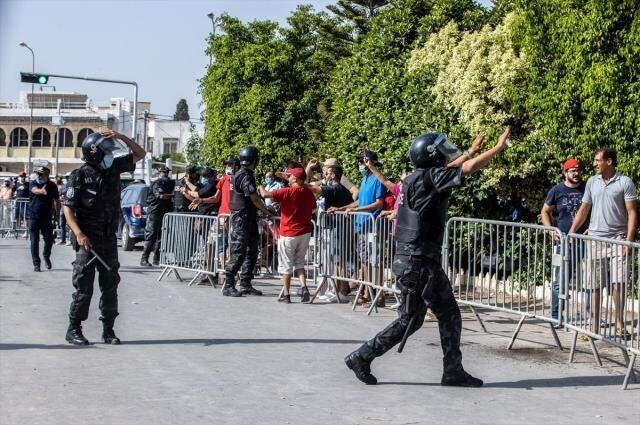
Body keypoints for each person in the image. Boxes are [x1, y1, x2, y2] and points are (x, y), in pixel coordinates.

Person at [344, 127, 512, 387]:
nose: (445, 156)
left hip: (416, 260)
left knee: (444, 314)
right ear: (432, 156)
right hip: (418, 262)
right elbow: (465, 170)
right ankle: (362, 356)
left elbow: (452, 167)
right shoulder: (430, 178)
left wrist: (470, 151)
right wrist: (497, 149)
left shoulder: (415, 178)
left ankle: (452, 370)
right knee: (410, 319)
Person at [63, 129, 145, 345]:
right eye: (106, 150)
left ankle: (108, 330)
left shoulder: (113, 169)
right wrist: (78, 233)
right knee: (84, 286)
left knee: (110, 284)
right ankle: (74, 329)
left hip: (108, 237)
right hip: (87, 240)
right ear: (94, 153)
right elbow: (68, 209)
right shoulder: (79, 176)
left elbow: (140, 153)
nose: (110, 154)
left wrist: (120, 136)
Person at [568, 147, 637, 338]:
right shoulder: (592, 181)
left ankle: (620, 323)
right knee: (594, 284)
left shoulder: (625, 182)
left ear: (609, 162)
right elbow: (584, 208)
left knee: (619, 282)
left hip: (618, 239)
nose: (595, 163)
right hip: (595, 239)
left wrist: (628, 242)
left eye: (598, 160)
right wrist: (572, 232)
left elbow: (632, 213)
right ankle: (594, 327)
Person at [328, 151, 386, 305]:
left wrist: (356, 211)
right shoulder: (365, 179)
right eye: (360, 161)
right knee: (365, 262)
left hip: (372, 227)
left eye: (363, 161)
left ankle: (379, 296)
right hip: (361, 226)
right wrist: (341, 208)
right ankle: (368, 293)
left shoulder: (378, 179)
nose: (361, 164)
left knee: (375, 262)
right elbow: (359, 202)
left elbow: (379, 204)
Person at [260, 167, 316, 303]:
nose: (288, 179)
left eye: (290, 177)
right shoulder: (308, 193)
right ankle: (304, 287)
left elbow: (265, 195)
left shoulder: (287, 191)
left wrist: (260, 185)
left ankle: (286, 294)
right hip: (304, 232)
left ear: (295, 178)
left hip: (288, 232)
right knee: (300, 262)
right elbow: (314, 208)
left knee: (286, 265)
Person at [223, 146, 273, 297]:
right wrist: (266, 211)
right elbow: (254, 198)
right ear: (254, 160)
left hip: (247, 218)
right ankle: (229, 285)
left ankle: (245, 283)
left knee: (252, 251)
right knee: (238, 252)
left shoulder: (240, 174)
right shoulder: (245, 175)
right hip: (242, 219)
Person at [540, 158, 586, 322]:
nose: (576, 173)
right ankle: (556, 316)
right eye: (572, 170)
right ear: (565, 172)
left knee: (590, 282)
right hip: (565, 241)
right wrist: (550, 229)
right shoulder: (557, 190)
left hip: (588, 240)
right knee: (560, 280)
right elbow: (545, 211)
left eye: (578, 170)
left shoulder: (588, 188)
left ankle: (590, 316)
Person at [309, 165, 354, 302]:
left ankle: (341, 291)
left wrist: (299, 180)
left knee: (339, 261)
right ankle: (336, 289)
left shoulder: (335, 188)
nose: (325, 176)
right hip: (334, 228)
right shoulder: (337, 188)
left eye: (327, 173)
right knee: (335, 260)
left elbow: (313, 188)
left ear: (334, 175)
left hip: (338, 228)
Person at [140, 166, 175, 267]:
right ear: (160, 173)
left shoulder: (169, 183)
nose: (166, 174)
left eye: (167, 173)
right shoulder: (157, 183)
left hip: (164, 213)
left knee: (161, 236)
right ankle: (144, 259)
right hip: (154, 212)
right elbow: (161, 196)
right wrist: (173, 195)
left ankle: (157, 259)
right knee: (151, 236)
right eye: (164, 172)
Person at [28, 166, 59, 272]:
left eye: (42, 174)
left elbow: (56, 200)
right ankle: (36, 264)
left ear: (47, 175)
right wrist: (41, 191)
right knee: (34, 241)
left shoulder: (52, 185)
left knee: (49, 240)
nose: (39, 176)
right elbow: (34, 190)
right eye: (38, 174)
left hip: (46, 217)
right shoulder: (33, 183)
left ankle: (46, 256)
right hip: (33, 216)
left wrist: (57, 214)